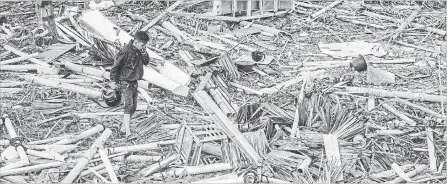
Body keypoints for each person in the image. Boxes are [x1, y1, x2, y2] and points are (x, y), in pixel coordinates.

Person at [110, 31, 150, 137]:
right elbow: (115, 67)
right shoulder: (125, 51)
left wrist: (144, 52)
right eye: (142, 44)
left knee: (133, 107)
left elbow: (146, 62)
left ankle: (123, 129)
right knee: (128, 106)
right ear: (136, 42)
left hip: (134, 82)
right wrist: (113, 82)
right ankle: (128, 133)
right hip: (125, 82)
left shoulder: (139, 51)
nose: (144, 46)